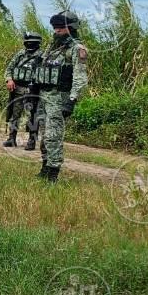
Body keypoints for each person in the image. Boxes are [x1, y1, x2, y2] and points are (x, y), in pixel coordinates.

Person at [34, 11, 88, 182]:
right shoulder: (53, 47)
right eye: (55, 27)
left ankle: (53, 173)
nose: (57, 30)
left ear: (71, 28)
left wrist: (72, 101)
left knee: (53, 135)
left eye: (60, 27)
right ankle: (45, 166)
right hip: (44, 95)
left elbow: (80, 77)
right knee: (43, 135)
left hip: (59, 98)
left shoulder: (77, 49)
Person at [3, 33, 43, 150]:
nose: (29, 44)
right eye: (28, 41)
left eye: (32, 42)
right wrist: (9, 79)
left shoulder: (42, 56)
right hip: (18, 88)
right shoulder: (20, 54)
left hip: (32, 89)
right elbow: (9, 68)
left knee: (32, 116)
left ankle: (31, 140)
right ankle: (11, 138)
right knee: (15, 114)